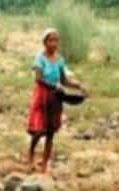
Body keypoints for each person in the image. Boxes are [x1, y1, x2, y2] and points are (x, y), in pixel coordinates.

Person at [27, 28, 86, 173]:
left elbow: (63, 80)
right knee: (39, 130)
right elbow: (39, 79)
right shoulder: (40, 58)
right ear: (45, 42)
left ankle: (44, 164)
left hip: (55, 98)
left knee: (51, 132)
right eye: (51, 40)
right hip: (42, 96)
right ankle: (31, 153)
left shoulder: (60, 60)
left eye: (56, 40)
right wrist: (55, 86)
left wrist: (77, 85)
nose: (54, 43)